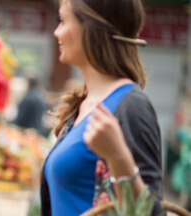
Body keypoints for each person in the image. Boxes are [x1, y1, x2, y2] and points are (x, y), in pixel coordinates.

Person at [41, 0, 163, 215]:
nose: (56, 32)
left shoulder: (131, 107)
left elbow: (153, 212)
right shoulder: (83, 103)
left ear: (92, 28)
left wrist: (118, 157)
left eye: (62, 20)